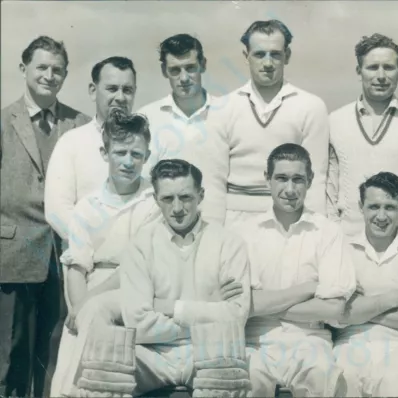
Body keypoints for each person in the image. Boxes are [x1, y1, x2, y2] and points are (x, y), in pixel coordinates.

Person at [0, 35, 91, 398]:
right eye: (42, 67)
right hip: (13, 256)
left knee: (58, 353)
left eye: (58, 70)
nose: (49, 76)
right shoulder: (3, 122)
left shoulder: (80, 123)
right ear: (24, 69)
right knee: (11, 353)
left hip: (65, 257)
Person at [48, 110, 161, 397]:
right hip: (90, 288)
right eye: (120, 152)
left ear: (147, 156)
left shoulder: (153, 202)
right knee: (75, 339)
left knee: (104, 350)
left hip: (136, 290)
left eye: (136, 154)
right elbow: (77, 266)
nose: (128, 161)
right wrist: (75, 309)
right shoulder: (87, 207)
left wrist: (87, 304)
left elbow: (135, 267)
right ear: (104, 152)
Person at [117, 159, 251, 395]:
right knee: (106, 370)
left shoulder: (229, 244)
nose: (177, 208)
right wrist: (209, 309)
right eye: (167, 199)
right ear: (156, 199)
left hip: (208, 351)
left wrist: (170, 309)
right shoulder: (139, 246)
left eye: (186, 197)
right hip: (150, 354)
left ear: (201, 195)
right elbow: (137, 325)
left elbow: (235, 318)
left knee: (226, 372)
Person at [236, 143, 356, 397]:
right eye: (281, 178)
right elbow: (240, 306)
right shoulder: (244, 233)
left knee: (324, 375)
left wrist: (264, 305)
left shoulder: (328, 232)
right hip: (255, 342)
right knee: (245, 378)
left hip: (310, 340)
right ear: (267, 179)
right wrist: (309, 289)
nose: (289, 189)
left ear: (310, 181)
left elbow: (333, 309)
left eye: (298, 179)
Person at [208, 19, 330, 227]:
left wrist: (313, 231)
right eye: (259, 54)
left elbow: (316, 180)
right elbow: (213, 180)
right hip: (235, 220)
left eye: (275, 54)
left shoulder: (311, 106)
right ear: (246, 57)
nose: (267, 63)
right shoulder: (223, 108)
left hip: (289, 217)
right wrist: (213, 232)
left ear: (287, 56)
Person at [327, 34, 398, 239]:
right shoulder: (335, 120)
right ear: (359, 71)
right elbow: (329, 192)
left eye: (389, 67)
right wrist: (335, 238)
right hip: (350, 240)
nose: (381, 76)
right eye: (372, 67)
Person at [332, 172, 398, 397]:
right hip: (350, 344)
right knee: (343, 377)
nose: (381, 216)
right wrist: (387, 301)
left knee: (395, 380)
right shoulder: (343, 250)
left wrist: (361, 307)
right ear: (361, 206)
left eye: (389, 207)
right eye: (374, 206)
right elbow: (334, 316)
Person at [45, 56, 137, 241]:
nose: (120, 97)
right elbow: (57, 210)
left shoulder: (145, 142)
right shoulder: (71, 142)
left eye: (127, 90)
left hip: (139, 259)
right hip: (87, 261)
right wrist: (90, 246)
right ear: (93, 91)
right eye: (112, 89)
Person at [137, 34, 223, 224]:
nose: (184, 78)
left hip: (217, 231)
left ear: (203, 64)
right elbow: (140, 184)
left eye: (190, 68)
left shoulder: (227, 112)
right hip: (162, 235)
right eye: (175, 70)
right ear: (163, 71)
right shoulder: (147, 118)